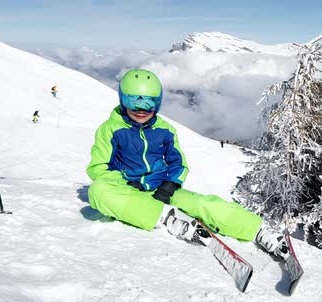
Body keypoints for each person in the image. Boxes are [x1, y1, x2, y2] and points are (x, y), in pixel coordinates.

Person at [86, 69, 287, 258]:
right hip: (127, 191)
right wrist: (124, 183)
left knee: (203, 203)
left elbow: (178, 163)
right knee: (98, 191)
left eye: (149, 103)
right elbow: (98, 168)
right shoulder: (110, 130)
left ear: (158, 103)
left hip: (161, 188)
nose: (141, 109)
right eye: (133, 101)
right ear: (122, 100)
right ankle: (167, 218)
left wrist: (171, 183)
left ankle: (257, 230)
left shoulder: (165, 130)